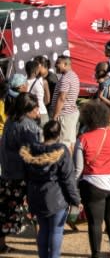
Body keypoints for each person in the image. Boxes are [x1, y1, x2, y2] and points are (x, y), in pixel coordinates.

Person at [73, 100, 110, 258]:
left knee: (95, 222)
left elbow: (78, 169)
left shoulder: (83, 139)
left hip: (93, 184)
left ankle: (96, 254)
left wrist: (72, 186)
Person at [20, 119, 81, 258]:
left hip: (36, 196)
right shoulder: (62, 151)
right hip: (56, 199)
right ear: (58, 135)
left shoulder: (31, 151)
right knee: (56, 231)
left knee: (43, 230)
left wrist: (27, 197)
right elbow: (68, 179)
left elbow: (26, 176)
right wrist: (76, 200)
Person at [0, 92, 41, 254]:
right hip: (25, 175)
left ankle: (1, 244)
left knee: (5, 211)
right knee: (37, 210)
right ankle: (42, 244)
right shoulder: (28, 126)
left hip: (8, 173)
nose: (37, 110)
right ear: (27, 109)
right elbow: (33, 154)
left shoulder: (10, 121)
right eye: (35, 107)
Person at [50, 56, 80, 151]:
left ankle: (66, 164)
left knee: (64, 143)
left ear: (65, 64)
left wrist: (55, 116)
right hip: (69, 113)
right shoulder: (72, 75)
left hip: (65, 114)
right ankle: (69, 164)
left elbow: (62, 98)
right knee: (70, 142)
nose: (55, 65)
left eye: (58, 63)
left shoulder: (66, 78)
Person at [25, 58, 50, 125]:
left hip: (28, 114)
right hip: (42, 113)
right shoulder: (43, 82)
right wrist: (39, 105)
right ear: (36, 71)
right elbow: (47, 100)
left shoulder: (23, 83)